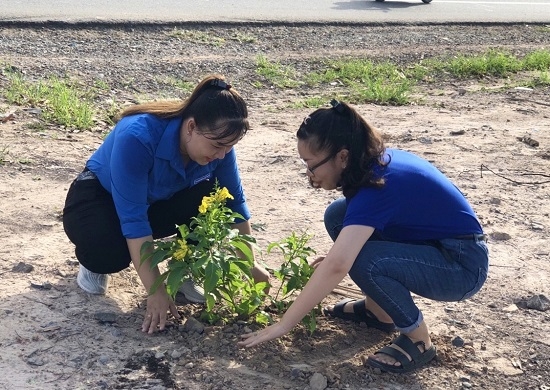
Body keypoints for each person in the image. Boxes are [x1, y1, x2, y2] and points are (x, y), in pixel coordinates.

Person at [239, 100, 489, 374]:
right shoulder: (372, 166)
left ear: (342, 157)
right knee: (338, 214)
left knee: (363, 261)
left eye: (311, 165)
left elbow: (339, 264)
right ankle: (379, 311)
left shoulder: (376, 187)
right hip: (439, 246)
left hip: (462, 266)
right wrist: (341, 257)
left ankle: (419, 340)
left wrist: (284, 324)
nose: (309, 175)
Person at [63, 74, 270, 334]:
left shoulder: (220, 148)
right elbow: (134, 220)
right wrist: (156, 290)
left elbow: (236, 204)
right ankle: (93, 265)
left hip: (154, 202)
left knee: (215, 198)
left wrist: (248, 264)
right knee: (110, 251)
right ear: (191, 127)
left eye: (229, 147)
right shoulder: (138, 136)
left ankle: (182, 272)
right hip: (97, 198)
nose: (222, 154)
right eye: (217, 145)